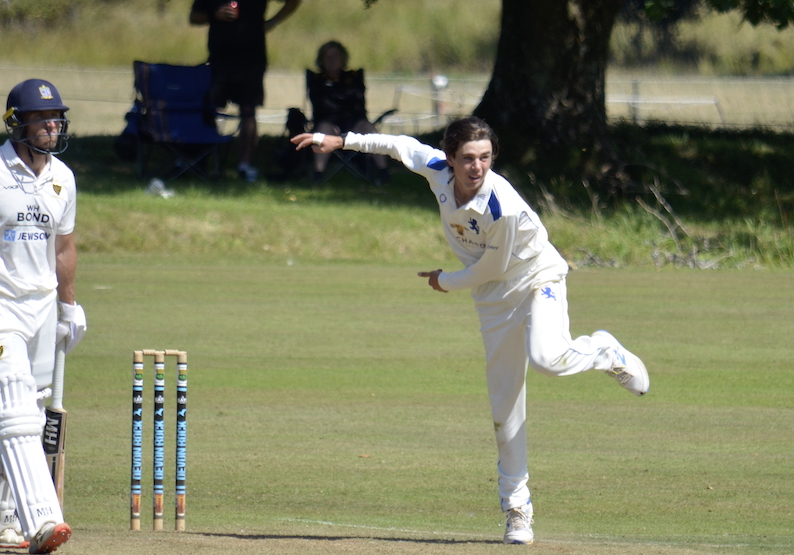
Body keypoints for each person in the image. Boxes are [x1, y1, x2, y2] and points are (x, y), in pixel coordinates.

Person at [290, 117, 649, 545]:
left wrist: (445, 280)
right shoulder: (438, 171)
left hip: (537, 277)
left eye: (485, 158)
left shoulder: (503, 205)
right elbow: (400, 145)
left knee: (548, 359)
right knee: (505, 406)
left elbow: (493, 266)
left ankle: (606, 352)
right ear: (450, 159)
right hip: (493, 299)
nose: (477, 167)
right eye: (468, 159)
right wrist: (342, 140)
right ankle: (518, 510)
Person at [0, 79, 87, 553]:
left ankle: (7, 518)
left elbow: (64, 245)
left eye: (56, 118)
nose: (53, 125)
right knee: (14, 409)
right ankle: (44, 520)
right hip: (2, 306)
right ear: (18, 124)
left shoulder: (63, 177)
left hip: (41, 306)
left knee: (29, 408)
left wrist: (69, 305)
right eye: (42, 118)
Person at [190, 0, 301, 182]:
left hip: (252, 60)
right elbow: (194, 17)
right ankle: (201, 161)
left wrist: (272, 22)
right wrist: (215, 14)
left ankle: (244, 166)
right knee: (210, 109)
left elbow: (293, 2)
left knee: (248, 111)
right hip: (220, 59)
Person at [308, 40, 389, 183]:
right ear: (321, 60)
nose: (332, 61)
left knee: (368, 127)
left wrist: (335, 93)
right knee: (323, 130)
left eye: (336, 56)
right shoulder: (316, 80)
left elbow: (357, 98)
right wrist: (344, 95)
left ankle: (383, 172)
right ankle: (318, 174)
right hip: (330, 124)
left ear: (343, 59)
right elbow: (323, 103)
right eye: (328, 57)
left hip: (354, 124)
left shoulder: (353, 77)